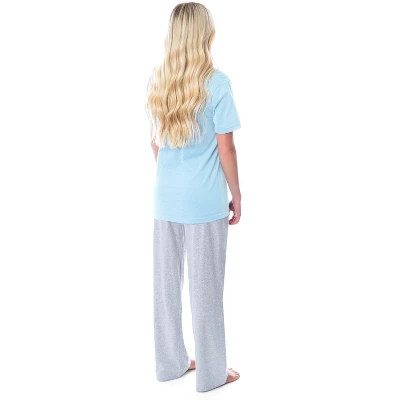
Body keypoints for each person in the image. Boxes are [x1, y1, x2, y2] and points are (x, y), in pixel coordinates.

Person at [145, 2, 242, 393]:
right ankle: (212, 374)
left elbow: (155, 143)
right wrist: (237, 195)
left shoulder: (157, 80)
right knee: (206, 290)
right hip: (204, 202)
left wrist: (173, 179)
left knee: (165, 288)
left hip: (165, 198)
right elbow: (226, 148)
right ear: (205, 34)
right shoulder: (217, 83)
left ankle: (171, 364)